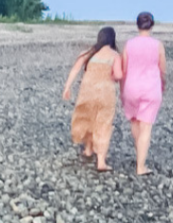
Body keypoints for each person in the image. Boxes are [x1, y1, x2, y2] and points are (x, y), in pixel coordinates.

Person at [62, 26, 123, 171]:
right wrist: (112, 77)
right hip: (105, 92)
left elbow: (75, 69)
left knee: (88, 118)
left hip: (87, 91)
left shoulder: (88, 53)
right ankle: (101, 161)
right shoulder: (114, 55)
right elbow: (119, 75)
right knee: (103, 122)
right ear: (112, 39)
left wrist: (67, 87)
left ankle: (88, 149)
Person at [121, 12, 167, 176]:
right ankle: (141, 166)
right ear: (152, 25)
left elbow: (124, 69)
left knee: (134, 121)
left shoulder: (129, 44)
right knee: (146, 126)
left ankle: (139, 151)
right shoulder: (157, 45)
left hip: (131, 86)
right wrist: (163, 83)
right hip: (151, 87)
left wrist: (122, 89)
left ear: (137, 25)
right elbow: (162, 68)